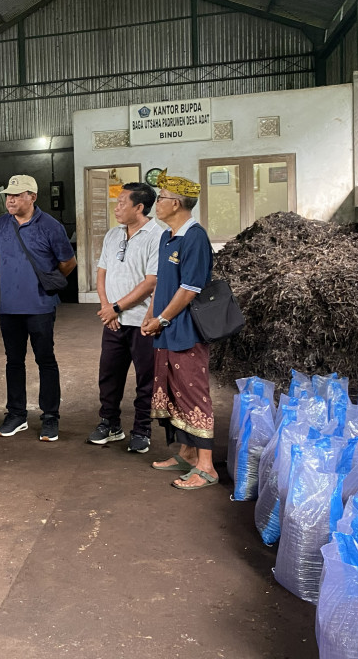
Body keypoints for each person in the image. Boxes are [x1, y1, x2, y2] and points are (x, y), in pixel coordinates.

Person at [140, 171, 217, 490]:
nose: (156, 204)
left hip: (185, 330)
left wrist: (163, 319)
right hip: (165, 329)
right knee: (173, 391)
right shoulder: (165, 236)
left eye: (161, 199)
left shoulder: (194, 237)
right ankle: (186, 453)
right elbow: (161, 283)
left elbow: (189, 289)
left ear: (178, 203)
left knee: (193, 392)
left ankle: (207, 466)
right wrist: (149, 314)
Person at [0, 174, 76, 442]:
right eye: (8, 195)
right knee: (13, 361)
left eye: (17, 195)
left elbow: (68, 263)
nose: (10, 199)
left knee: (45, 360)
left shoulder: (50, 226)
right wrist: (10, 283)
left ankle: (50, 417)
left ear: (33, 197)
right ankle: (16, 414)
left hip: (40, 306)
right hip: (9, 308)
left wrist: (40, 283)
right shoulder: (0, 225)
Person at [87, 182, 161, 454]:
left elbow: (151, 282)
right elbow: (102, 273)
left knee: (146, 378)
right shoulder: (113, 235)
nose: (116, 208)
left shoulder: (158, 235)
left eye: (122, 203)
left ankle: (142, 429)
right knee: (109, 375)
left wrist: (116, 307)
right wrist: (107, 308)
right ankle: (110, 424)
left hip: (143, 321)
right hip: (114, 321)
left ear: (139, 207)